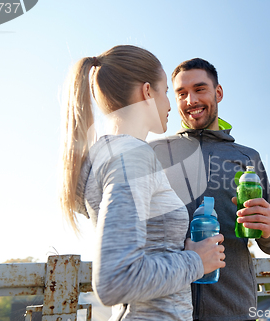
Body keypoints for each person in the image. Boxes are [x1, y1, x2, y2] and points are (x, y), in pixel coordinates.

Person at [59, 46, 225, 321]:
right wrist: (197, 261)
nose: (171, 105)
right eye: (165, 93)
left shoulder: (107, 154)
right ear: (147, 92)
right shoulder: (132, 156)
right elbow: (116, 279)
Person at [149, 58, 270, 321]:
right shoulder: (155, 153)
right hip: (167, 310)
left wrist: (268, 230)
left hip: (234, 311)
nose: (191, 100)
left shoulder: (247, 157)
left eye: (200, 89)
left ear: (218, 93)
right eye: (181, 93)